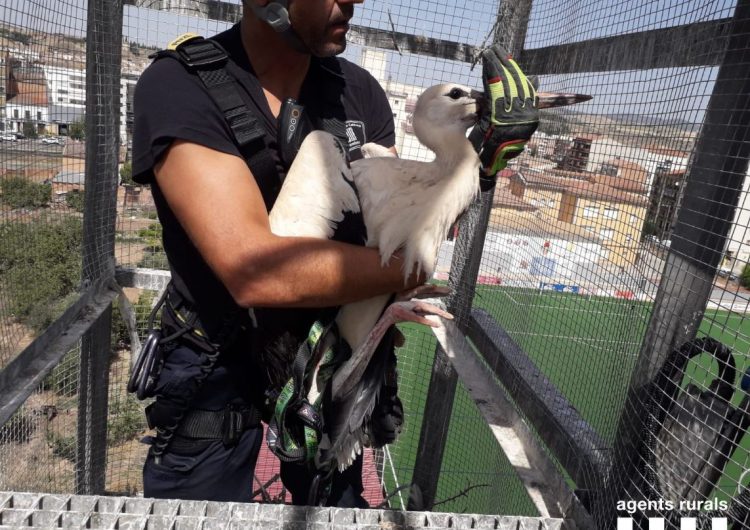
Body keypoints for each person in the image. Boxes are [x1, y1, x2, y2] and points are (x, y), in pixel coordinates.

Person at [132, 0, 537, 508]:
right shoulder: (182, 84)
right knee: (195, 518)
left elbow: (399, 224)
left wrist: (478, 168)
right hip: (216, 361)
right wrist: (406, 268)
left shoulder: (357, 91)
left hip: (336, 360)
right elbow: (255, 274)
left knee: (340, 512)